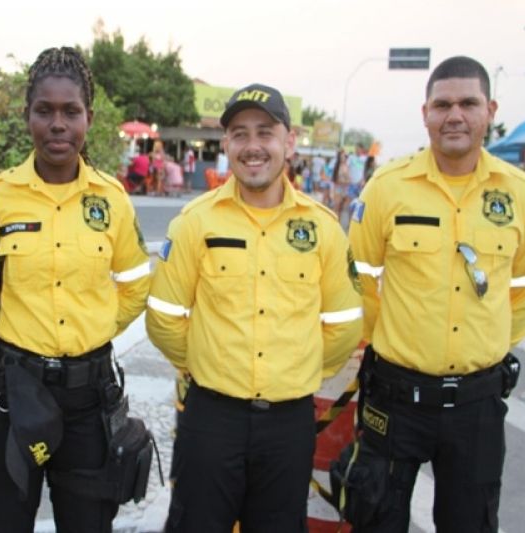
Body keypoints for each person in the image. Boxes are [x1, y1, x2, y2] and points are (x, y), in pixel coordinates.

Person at [146, 83, 363, 532]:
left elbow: (344, 324)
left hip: (288, 425)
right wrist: (207, 364)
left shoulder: (322, 229)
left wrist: (296, 370)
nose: (252, 146)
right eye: (240, 134)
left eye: (265, 132)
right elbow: (163, 317)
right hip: (211, 420)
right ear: (226, 144)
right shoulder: (195, 222)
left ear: (290, 141)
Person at [348, 56, 525, 532]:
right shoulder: (387, 188)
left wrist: (490, 344)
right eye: (442, 105)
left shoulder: (520, 194)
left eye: (468, 103)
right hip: (395, 397)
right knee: (375, 519)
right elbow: (357, 278)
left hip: (477, 404)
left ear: (490, 111)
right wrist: (389, 340)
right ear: (425, 114)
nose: (454, 115)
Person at [0, 46, 151, 533]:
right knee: (1, 520)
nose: (58, 124)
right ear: (27, 115)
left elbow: (135, 286)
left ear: (89, 118)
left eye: (71, 111)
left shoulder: (112, 200)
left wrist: (90, 330)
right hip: (11, 394)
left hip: (89, 399)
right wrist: (20, 338)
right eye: (44, 111)